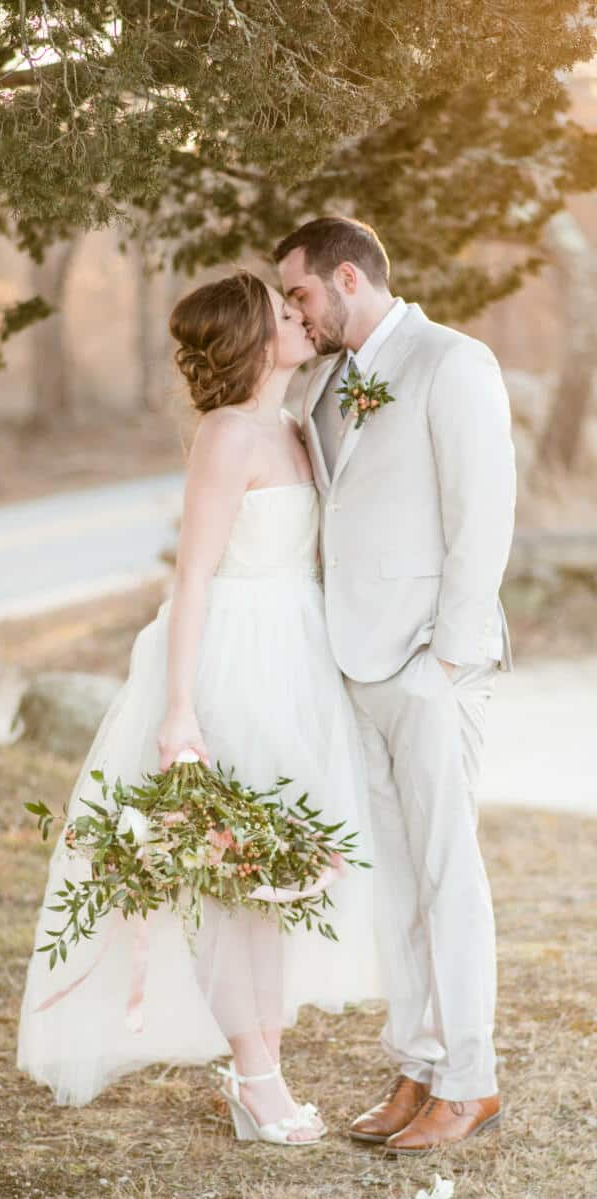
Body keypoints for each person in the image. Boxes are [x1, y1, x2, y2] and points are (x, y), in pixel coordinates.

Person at [16, 270, 380, 1144]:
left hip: (298, 658)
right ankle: (259, 1083)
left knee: (278, 879)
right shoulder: (226, 436)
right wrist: (180, 709)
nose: (300, 318)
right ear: (254, 341)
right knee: (233, 882)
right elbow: (193, 579)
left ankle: (265, 1068)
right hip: (233, 663)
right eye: (284, 312)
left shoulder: (293, 425)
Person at [276, 215, 516, 1153]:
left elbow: (483, 517)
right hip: (355, 663)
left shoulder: (454, 362)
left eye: (298, 294)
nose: (293, 313)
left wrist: (443, 666)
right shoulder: (328, 381)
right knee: (394, 883)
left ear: (346, 277)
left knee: (449, 875)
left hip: (429, 668)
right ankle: (417, 1061)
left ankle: (471, 1080)